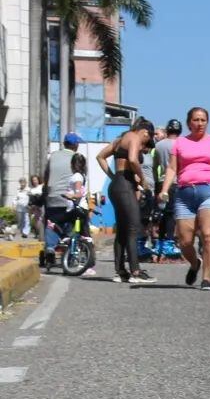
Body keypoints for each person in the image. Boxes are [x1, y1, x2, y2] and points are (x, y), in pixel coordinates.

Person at [158, 107, 210, 292]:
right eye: (195, 120)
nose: (199, 123)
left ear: (207, 122)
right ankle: (195, 263)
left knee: (208, 235)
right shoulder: (180, 143)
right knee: (184, 241)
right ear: (189, 123)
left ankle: (207, 278)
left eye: (203, 120)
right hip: (185, 194)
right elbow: (172, 168)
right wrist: (164, 190)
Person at [96, 118, 156, 285]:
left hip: (117, 185)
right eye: (148, 139)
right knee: (133, 227)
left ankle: (120, 271)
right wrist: (143, 179)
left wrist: (113, 177)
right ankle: (135, 271)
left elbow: (100, 157)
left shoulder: (119, 140)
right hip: (125, 185)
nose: (145, 144)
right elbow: (132, 159)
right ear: (145, 132)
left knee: (122, 230)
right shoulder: (135, 136)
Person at [42, 132, 82, 242]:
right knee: (71, 223)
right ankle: (68, 246)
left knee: (51, 222)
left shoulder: (53, 156)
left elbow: (46, 175)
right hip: (69, 198)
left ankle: (50, 247)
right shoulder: (76, 158)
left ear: (64, 143)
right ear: (75, 145)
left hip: (52, 197)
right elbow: (81, 179)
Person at [154, 119, 183, 250]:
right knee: (172, 214)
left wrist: (156, 182)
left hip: (161, 182)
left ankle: (160, 241)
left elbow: (155, 166)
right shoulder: (182, 144)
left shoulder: (159, 145)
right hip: (176, 182)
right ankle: (170, 243)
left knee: (163, 213)